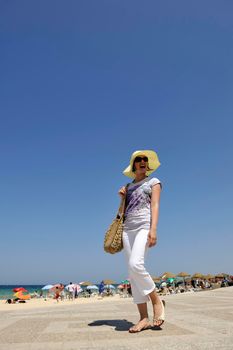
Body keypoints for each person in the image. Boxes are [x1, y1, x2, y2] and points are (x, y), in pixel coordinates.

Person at [118, 150, 165, 333]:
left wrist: (153, 229)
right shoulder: (128, 186)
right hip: (127, 229)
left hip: (144, 226)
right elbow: (122, 213)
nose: (143, 162)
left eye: (145, 159)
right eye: (139, 159)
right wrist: (122, 198)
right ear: (134, 165)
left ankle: (156, 301)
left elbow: (155, 205)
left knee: (136, 264)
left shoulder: (154, 182)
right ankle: (143, 318)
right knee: (132, 274)